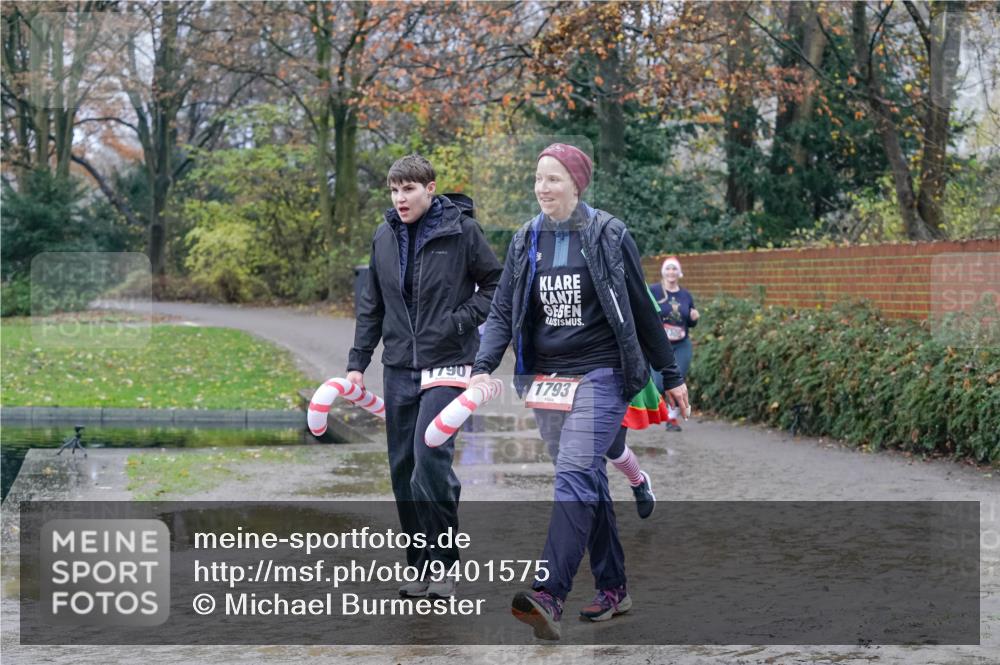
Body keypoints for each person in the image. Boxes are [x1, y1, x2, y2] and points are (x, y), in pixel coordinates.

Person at [470, 143, 689, 640]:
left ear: (576, 183)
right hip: (547, 378)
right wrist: (484, 367)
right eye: (538, 178)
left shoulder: (609, 234)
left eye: (553, 179)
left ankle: (548, 594)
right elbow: (503, 310)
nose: (542, 188)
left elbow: (639, 307)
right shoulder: (527, 238)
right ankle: (613, 588)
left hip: (603, 372)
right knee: (585, 477)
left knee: (573, 469)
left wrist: (670, 375)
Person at [347, 154, 502, 599]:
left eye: (409, 189)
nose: (400, 198)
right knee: (403, 470)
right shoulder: (383, 236)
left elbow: (496, 285)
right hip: (398, 367)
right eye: (394, 190)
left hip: (449, 363)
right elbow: (371, 305)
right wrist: (358, 363)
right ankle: (418, 565)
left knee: (428, 462)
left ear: (431, 189)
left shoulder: (462, 232)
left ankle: (446, 563)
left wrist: (459, 321)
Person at [649, 256, 699, 431]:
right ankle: (656, 407)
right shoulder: (654, 291)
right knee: (660, 383)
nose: (671, 272)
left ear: (679, 273)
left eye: (674, 269)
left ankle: (672, 419)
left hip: (681, 344)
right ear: (663, 272)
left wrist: (694, 318)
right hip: (659, 345)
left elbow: (689, 320)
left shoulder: (685, 295)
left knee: (677, 380)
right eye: (668, 269)